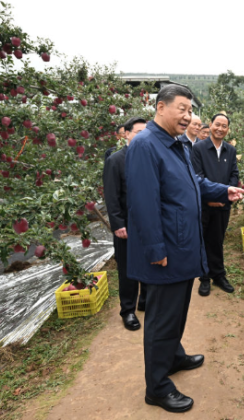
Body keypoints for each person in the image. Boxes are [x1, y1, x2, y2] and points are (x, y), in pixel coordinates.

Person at [126, 85, 244, 413]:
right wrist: (155, 249)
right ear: (161, 107)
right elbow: (143, 204)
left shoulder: (176, 144)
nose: (188, 116)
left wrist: (224, 190)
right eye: (182, 109)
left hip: (181, 246)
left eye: (190, 110)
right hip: (165, 250)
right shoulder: (145, 145)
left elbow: (194, 183)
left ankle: (174, 356)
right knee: (161, 319)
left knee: (177, 310)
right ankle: (157, 386)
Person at [103, 117, 148, 331]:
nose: (143, 136)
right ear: (127, 134)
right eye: (138, 132)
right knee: (128, 268)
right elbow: (111, 197)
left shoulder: (149, 157)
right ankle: (127, 310)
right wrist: (118, 223)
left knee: (150, 261)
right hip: (126, 225)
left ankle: (145, 299)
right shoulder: (116, 160)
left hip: (147, 222)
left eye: (146, 132)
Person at [191, 113, 239, 296]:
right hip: (204, 204)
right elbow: (197, 176)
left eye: (224, 126)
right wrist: (211, 196)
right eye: (217, 124)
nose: (220, 128)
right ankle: (204, 277)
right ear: (210, 125)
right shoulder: (199, 149)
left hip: (223, 205)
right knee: (203, 240)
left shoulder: (230, 150)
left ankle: (218, 275)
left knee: (217, 240)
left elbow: (234, 174)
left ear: (228, 129)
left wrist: (227, 195)